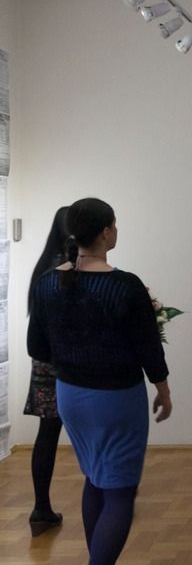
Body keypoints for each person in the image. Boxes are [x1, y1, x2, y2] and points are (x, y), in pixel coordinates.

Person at [27, 197, 173, 565]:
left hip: (71, 396)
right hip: (117, 399)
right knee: (120, 491)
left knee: (94, 477)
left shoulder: (48, 284)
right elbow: (149, 349)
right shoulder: (125, 287)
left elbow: (37, 346)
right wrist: (163, 389)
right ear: (107, 232)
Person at [25, 206, 71, 536]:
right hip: (75, 363)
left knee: (47, 433)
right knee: (95, 431)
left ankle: (41, 508)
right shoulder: (73, 269)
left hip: (44, 363)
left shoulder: (43, 268)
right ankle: (111, 497)